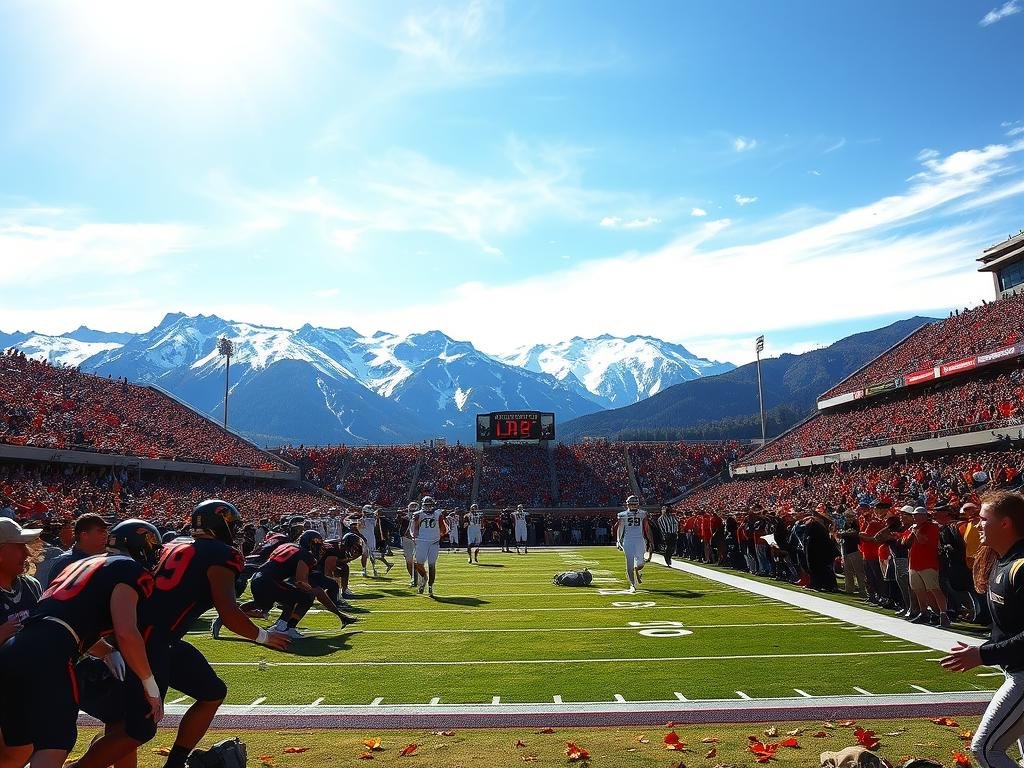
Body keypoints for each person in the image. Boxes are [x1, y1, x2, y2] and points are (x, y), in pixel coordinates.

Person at [70, 500, 290, 768]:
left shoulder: (173, 544)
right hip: (150, 640)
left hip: (156, 636)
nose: (236, 531)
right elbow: (228, 612)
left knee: (212, 692)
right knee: (136, 729)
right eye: (232, 525)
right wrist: (264, 637)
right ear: (219, 524)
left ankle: (175, 763)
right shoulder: (221, 554)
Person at [0, 519, 162, 768]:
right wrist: (150, 686)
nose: (27, 551)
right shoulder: (128, 569)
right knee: (54, 742)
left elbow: (61, 623)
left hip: (22, 653)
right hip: (47, 657)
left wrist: (107, 652)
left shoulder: (72, 568)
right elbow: (126, 632)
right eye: (18, 545)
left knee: (20, 748)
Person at [942, 491, 1024, 768]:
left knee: (986, 750)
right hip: (1015, 671)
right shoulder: (1003, 560)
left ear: (1005, 523)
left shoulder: (1021, 566)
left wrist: (983, 654)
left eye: (983, 519)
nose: (977, 525)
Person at [39, 513, 110, 590]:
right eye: (101, 531)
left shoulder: (107, 559)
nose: (106, 535)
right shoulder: (65, 564)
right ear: (84, 535)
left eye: (106, 531)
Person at [903, 507, 949, 626]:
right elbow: (905, 543)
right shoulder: (914, 527)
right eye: (913, 515)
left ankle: (943, 614)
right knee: (918, 590)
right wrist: (912, 532)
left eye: (917, 515)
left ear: (924, 516)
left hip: (928, 563)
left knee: (934, 589)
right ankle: (924, 612)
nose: (914, 517)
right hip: (914, 563)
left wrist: (915, 531)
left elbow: (924, 541)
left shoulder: (932, 527)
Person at [613, 496, 651, 593]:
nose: (633, 505)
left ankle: (636, 569)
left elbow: (646, 528)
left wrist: (649, 539)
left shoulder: (643, 514)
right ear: (628, 504)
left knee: (641, 563)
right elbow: (620, 528)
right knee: (629, 562)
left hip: (639, 540)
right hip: (628, 540)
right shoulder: (623, 515)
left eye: (635, 503)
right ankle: (632, 584)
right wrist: (618, 541)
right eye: (632, 503)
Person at [413, 496, 447, 597]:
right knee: (418, 563)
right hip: (421, 541)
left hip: (433, 541)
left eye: (430, 505)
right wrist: (414, 537)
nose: (428, 507)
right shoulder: (418, 515)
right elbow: (414, 528)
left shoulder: (438, 514)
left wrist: (439, 535)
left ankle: (430, 586)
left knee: (432, 564)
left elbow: (443, 528)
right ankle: (424, 577)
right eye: (426, 505)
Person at [399, 502, 418, 587]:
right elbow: (402, 532)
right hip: (407, 541)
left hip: (417, 540)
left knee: (417, 561)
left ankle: (416, 578)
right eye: (411, 509)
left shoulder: (420, 518)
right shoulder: (405, 519)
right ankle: (412, 578)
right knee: (409, 561)